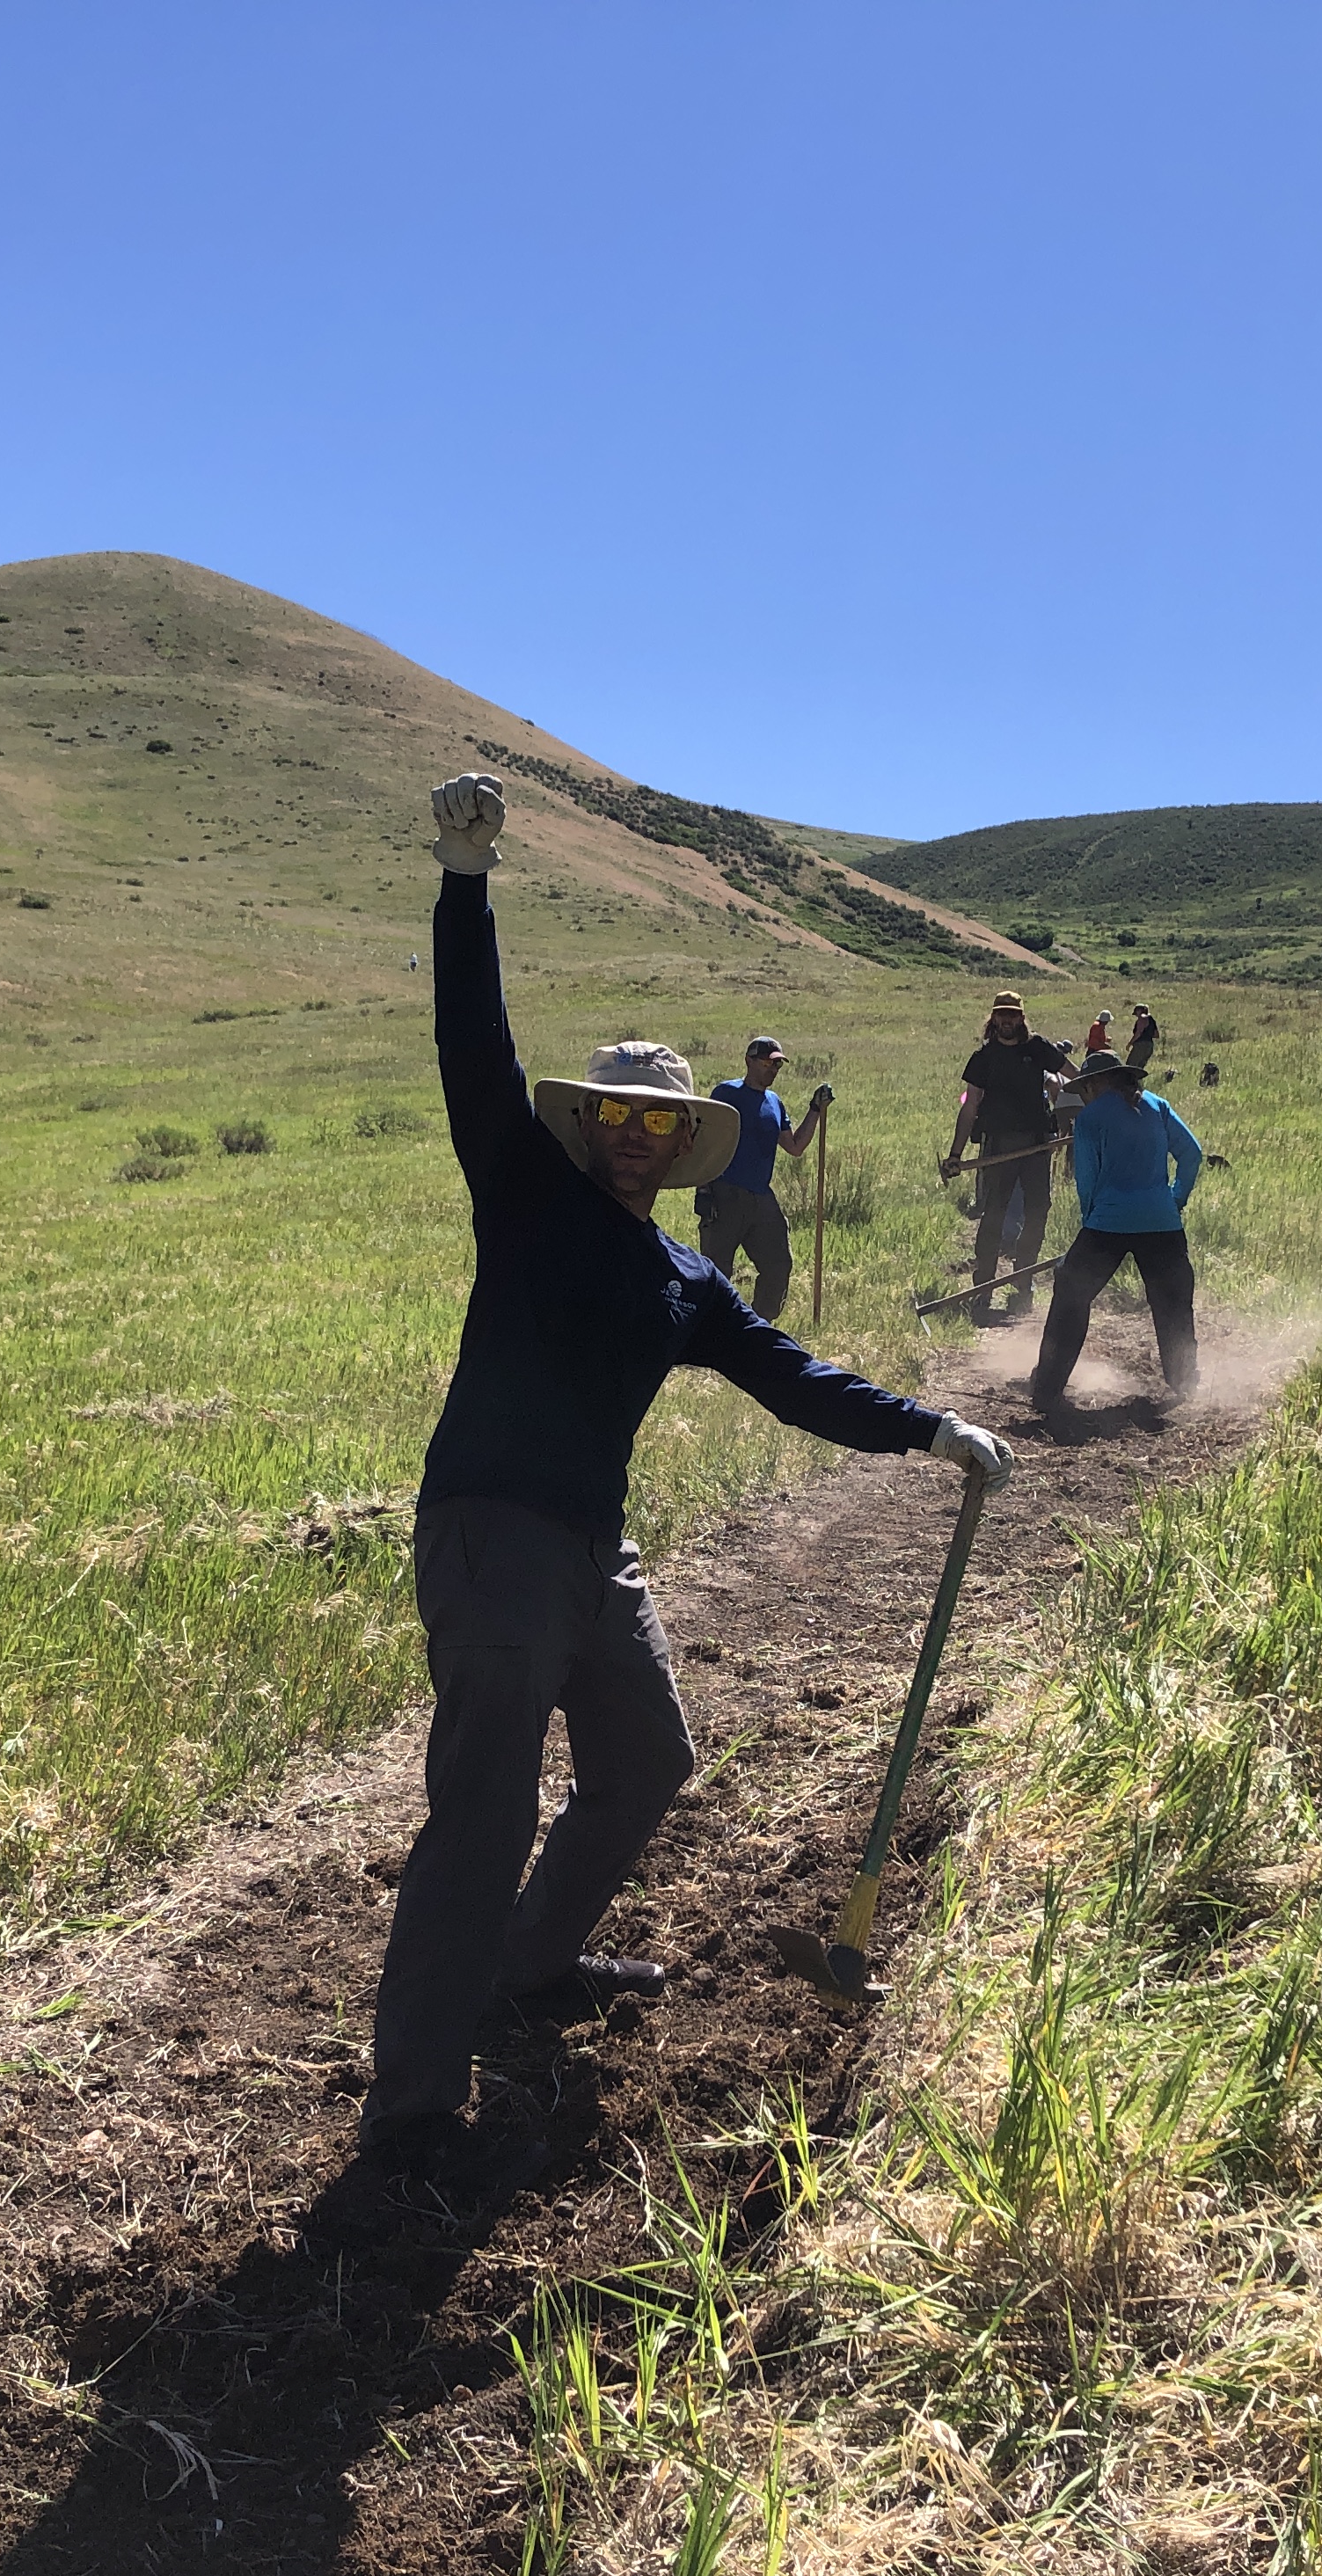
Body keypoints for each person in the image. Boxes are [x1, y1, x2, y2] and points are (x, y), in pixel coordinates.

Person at [365, 774, 1015, 2164]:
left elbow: (793, 1376)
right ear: (587, 1126)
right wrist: (464, 882)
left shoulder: (679, 1273)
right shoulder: (523, 1190)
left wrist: (927, 1428)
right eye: (616, 1116)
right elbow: (473, 1053)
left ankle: (528, 1967)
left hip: (592, 1549)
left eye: (661, 1123)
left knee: (648, 1759)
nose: (638, 1135)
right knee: (480, 1814)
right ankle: (413, 2104)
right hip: (492, 1533)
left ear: (683, 1142)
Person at [942, 996, 1152, 1314]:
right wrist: (956, 1152)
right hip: (997, 1146)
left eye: (1013, 1015)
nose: (1007, 1020)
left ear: (1022, 1017)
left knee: (1038, 1211)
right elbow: (970, 1105)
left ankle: (1022, 1283)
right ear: (994, 1019)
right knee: (994, 1213)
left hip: (1038, 1145)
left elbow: (1077, 1077)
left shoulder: (1038, 1048)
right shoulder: (984, 1058)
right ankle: (982, 1287)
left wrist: (1108, 1106)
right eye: (1002, 1015)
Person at [1028, 1050, 1204, 1415]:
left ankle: (1047, 1389)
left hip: (1107, 1222)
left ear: (1096, 1083)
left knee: (1071, 1295)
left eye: (1087, 1087)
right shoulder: (1159, 1105)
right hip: (1162, 1222)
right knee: (1172, 1303)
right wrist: (1175, 1198)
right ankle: (1184, 1381)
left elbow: (1087, 1180)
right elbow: (1192, 1155)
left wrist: (1091, 1220)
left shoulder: (1091, 1117)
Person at [694, 1034, 831, 1315]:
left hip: (760, 1195)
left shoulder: (774, 1102)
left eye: (778, 1066)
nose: (773, 1070)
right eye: (768, 1064)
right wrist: (704, 1190)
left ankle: (761, 1324)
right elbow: (706, 1140)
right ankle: (709, 1332)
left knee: (778, 1263)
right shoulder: (726, 1094)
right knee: (717, 1270)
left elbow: (794, 1146)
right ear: (749, 1061)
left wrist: (815, 1110)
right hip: (725, 1192)